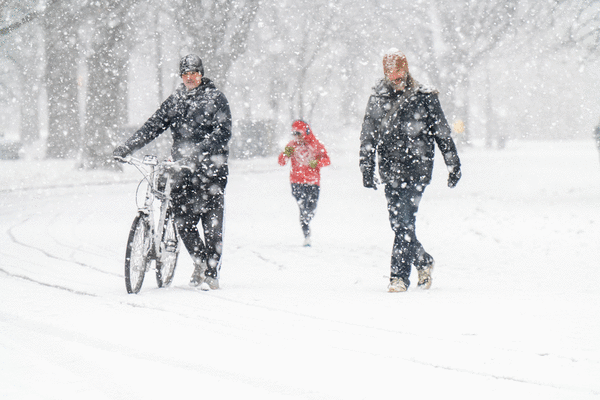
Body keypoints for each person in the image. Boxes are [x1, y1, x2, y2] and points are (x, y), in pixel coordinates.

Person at [113, 54, 231, 290]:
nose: (189, 78)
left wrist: (198, 151)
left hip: (210, 173)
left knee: (212, 227)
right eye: (185, 74)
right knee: (183, 222)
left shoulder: (215, 98)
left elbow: (223, 132)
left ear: (201, 74)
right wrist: (128, 147)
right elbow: (153, 126)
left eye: (194, 73)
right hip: (182, 172)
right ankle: (200, 262)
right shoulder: (176, 101)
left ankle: (211, 273)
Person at [359, 49, 461, 292]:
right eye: (390, 73)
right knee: (398, 224)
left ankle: (398, 277)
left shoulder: (425, 97)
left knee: (404, 221)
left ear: (406, 69)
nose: (395, 77)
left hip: (417, 168)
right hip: (390, 170)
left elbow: (442, 132)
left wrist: (453, 163)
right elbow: (368, 135)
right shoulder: (378, 99)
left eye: (399, 71)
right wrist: (366, 166)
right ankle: (423, 260)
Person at [278, 120, 331, 246]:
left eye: (299, 133)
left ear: (306, 132)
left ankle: (307, 221)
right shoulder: (291, 145)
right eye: (294, 134)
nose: (296, 137)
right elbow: (281, 162)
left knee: (311, 208)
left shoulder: (316, 144)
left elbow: (327, 160)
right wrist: (285, 154)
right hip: (296, 182)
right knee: (303, 208)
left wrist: (317, 163)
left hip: (313, 182)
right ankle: (306, 235)